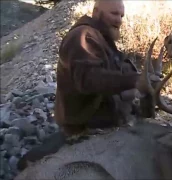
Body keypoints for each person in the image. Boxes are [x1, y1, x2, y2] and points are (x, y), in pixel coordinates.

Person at [18, 0, 146, 170]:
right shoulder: (82, 36)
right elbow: (89, 79)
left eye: (122, 15)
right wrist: (134, 80)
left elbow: (114, 80)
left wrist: (142, 88)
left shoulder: (102, 40)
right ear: (96, 12)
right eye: (114, 14)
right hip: (86, 128)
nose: (119, 20)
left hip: (106, 122)